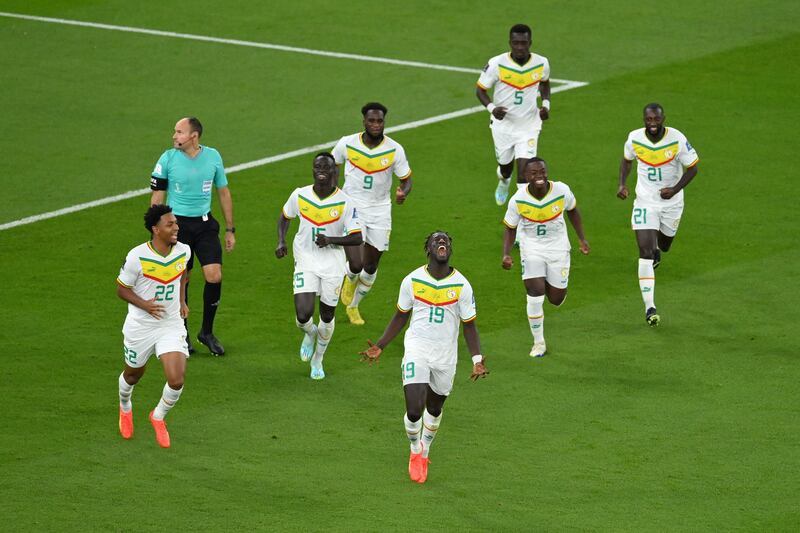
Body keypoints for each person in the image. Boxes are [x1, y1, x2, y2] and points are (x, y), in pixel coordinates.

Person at [360, 231, 489, 484]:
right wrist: (381, 346)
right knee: (414, 409)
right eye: (436, 240)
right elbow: (400, 316)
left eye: (446, 240)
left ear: (449, 249)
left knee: (435, 407)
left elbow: (470, 325)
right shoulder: (412, 280)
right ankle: (415, 450)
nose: (442, 242)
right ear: (428, 249)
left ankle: (426, 449)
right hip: (417, 348)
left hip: (445, 356)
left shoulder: (462, 285)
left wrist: (476, 359)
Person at [150, 116, 234, 356]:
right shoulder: (167, 158)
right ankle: (182, 333)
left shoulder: (213, 157)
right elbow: (157, 195)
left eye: (179, 132)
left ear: (193, 136)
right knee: (181, 279)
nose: (174, 136)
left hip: (206, 225)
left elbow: (224, 192)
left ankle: (206, 332)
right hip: (177, 228)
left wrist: (230, 229)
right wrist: (155, 230)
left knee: (214, 276)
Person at [276, 152, 362, 379]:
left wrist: (331, 240)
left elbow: (357, 237)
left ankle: (318, 359)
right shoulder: (299, 195)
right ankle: (310, 333)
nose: (321, 170)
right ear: (313, 170)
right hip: (305, 259)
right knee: (303, 315)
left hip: (333, 265)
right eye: (317, 166)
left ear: (335, 171)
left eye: (326, 166)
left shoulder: (345, 202)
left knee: (327, 315)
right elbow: (285, 217)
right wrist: (282, 240)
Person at [617, 103, 699, 326]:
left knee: (664, 245)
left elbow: (693, 168)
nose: (652, 123)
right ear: (643, 119)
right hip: (645, 201)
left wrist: (674, 190)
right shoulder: (634, 138)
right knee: (645, 252)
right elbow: (626, 161)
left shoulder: (677, 139)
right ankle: (650, 307)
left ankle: (657, 250)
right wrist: (622, 184)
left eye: (656, 119)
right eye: (648, 119)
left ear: (664, 119)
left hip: (672, 204)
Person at [116, 204, 190, 448]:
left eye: (176, 223)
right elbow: (121, 289)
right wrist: (144, 305)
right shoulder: (137, 256)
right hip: (141, 326)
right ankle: (125, 405)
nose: (176, 227)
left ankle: (158, 416)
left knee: (177, 379)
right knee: (133, 374)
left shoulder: (184, 251)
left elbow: (184, 276)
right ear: (156, 229)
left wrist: (181, 302)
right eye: (170, 224)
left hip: (170, 323)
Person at [332, 102, 413, 326]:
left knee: (371, 266)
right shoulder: (346, 143)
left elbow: (406, 179)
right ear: (364, 122)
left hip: (380, 210)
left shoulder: (395, 149)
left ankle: (354, 306)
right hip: (353, 206)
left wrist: (402, 192)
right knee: (356, 263)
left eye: (380, 121)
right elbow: (332, 166)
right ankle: (349, 278)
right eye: (372, 120)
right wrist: (334, 193)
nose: (376, 125)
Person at [502, 158, 589, 357]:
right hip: (531, 248)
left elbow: (573, 211)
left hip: (558, 248)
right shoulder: (518, 200)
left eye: (542, 171)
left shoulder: (561, 190)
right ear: (526, 176)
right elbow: (509, 228)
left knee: (556, 299)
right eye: (534, 173)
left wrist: (582, 239)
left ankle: (556, 288)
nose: (539, 176)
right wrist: (506, 254)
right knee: (535, 292)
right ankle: (539, 343)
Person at [476, 23, 551, 206]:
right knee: (506, 168)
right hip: (503, 127)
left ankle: (520, 217)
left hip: (529, 126)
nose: (519, 47)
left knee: (525, 173)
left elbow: (545, 83)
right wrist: (492, 108)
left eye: (523, 43)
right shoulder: (496, 64)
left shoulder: (541, 63)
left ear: (530, 43)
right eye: (516, 43)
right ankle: (503, 181)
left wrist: (546, 105)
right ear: (510, 42)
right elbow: (480, 90)